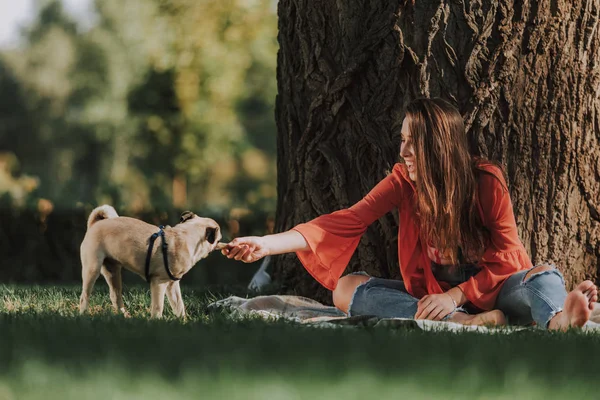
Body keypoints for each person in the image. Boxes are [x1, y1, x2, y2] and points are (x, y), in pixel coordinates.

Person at [222, 98, 598, 330]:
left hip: (497, 291)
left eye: (411, 142)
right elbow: (347, 220)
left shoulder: (486, 182)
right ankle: (465, 324)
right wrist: (267, 245)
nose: (402, 151)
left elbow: (506, 258)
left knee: (542, 274)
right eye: (402, 140)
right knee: (346, 287)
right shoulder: (403, 180)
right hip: (435, 299)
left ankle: (559, 320)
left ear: (437, 145)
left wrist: (457, 294)